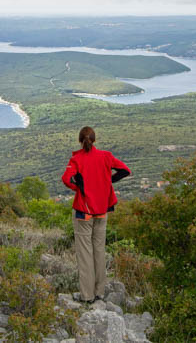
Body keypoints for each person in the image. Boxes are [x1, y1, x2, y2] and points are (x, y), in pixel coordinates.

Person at [61, 126, 130, 303]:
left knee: (85, 254)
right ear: (94, 140)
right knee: (99, 250)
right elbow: (125, 170)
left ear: (80, 141)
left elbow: (66, 179)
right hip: (102, 210)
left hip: (84, 211)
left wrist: (79, 188)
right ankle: (100, 292)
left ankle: (87, 296)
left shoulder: (76, 159)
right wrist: (108, 182)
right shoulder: (106, 156)